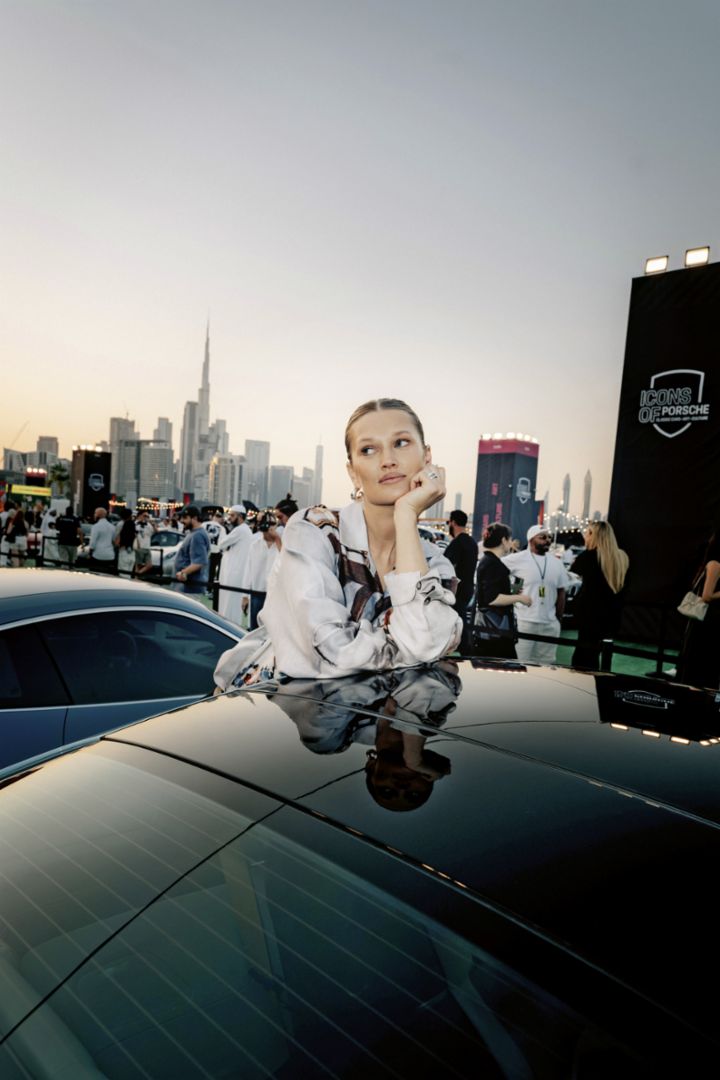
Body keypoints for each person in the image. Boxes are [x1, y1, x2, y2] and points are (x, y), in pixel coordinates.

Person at [214, 398, 462, 688]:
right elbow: (334, 651)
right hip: (265, 708)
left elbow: (425, 643)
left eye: (402, 442)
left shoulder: (434, 563)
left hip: (373, 721)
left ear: (427, 457)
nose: (388, 460)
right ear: (353, 471)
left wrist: (406, 515)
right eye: (368, 449)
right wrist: (407, 642)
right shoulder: (315, 530)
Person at [502, 524, 570, 664]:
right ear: (531, 539)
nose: (548, 540)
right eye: (543, 537)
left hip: (550, 625)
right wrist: (511, 591)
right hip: (524, 622)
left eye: (549, 537)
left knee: (546, 665)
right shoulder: (518, 558)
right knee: (521, 664)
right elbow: (494, 567)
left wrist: (558, 619)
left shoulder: (557, 563)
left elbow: (561, 592)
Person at [570, 521, 629, 671]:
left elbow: (574, 574)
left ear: (593, 535)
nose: (585, 536)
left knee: (582, 659)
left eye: (588, 532)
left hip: (590, 616)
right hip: (612, 615)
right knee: (599, 654)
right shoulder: (622, 558)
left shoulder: (588, 557)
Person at [474, 522, 532, 659]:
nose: (511, 543)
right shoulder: (493, 564)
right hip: (496, 633)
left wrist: (511, 593)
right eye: (510, 539)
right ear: (503, 540)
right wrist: (520, 598)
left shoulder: (488, 561)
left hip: (492, 631)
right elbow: (492, 599)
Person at [678, 529, 720, 691]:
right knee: (702, 668)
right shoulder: (715, 564)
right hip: (707, 623)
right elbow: (707, 596)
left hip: (708, 622)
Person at [443, 509, 478, 652]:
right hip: (468, 589)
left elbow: (446, 566)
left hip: (455, 591)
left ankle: (462, 648)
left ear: (453, 522)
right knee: (462, 621)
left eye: (449, 522)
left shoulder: (457, 543)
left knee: (456, 623)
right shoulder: (472, 543)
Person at [243, 510, 282, 629]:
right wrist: (245, 595)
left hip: (274, 595)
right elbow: (248, 570)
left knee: (271, 629)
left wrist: (278, 539)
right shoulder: (255, 545)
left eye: (272, 524)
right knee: (254, 629)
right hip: (257, 593)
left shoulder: (281, 544)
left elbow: (285, 562)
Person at [217, 504, 253, 626]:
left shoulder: (240, 530)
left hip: (233, 575)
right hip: (234, 574)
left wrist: (221, 528)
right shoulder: (243, 530)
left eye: (232, 515)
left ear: (240, 517)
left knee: (229, 608)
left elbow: (221, 544)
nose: (229, 518)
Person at [174, 505, 211, 593]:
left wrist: (183, 573)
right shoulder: (195, 533)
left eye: (185, 518)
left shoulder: (197, 535)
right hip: (189, 585)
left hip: (191, 587)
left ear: (194, 518)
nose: (182, 521)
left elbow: (199, 562)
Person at [88, 507, 117, 573]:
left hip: (98, 555)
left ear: (98, 515)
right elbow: (114, 541)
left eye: (95, 513)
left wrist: (90, 553)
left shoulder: (96, 526)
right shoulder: (112, 527)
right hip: (110, 555)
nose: (94, 515)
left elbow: (92, 543)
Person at [114, 508, 137, 577]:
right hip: (132, 552)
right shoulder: (133, 524)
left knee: (123, 575)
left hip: (123, 550)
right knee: (129, 575)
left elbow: (117, 541)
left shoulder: (121, 524)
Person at [134, 509, 156, 577]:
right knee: (138, 565)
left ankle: (136, 575)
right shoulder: (135, 524)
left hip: (147, 547)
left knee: (149, 565)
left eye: (147, 516)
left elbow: (155, 532)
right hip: (139, 547)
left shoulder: (148, 524)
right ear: (140, 515)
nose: (146, 517)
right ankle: (136, 578)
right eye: (144, 515)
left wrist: (153, 524)